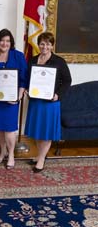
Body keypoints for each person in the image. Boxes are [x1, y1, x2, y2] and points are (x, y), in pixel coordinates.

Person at [25, 32, 72, 172]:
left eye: (48, 44)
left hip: (51, 103)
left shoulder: (59, 61)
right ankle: (41, 155)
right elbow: (29, 79)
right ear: (38, 44)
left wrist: (58, 95)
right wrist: (28, 89)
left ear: (52, 45)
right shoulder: (33, 60)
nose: (45, 46)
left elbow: (67, 81)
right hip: (36, 101)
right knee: (39, 131)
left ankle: (40, 160)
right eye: (42, 43)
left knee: (47, 132)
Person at [0, 29, 28, 169]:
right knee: (0, 129)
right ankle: (2, 152)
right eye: (2, 40)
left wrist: (19, 95)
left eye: (8, 41)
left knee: (9, 129)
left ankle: (11, 155)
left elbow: (24, 78)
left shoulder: (18, 56)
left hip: (11, 100)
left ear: (11, 43)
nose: (4, 43)